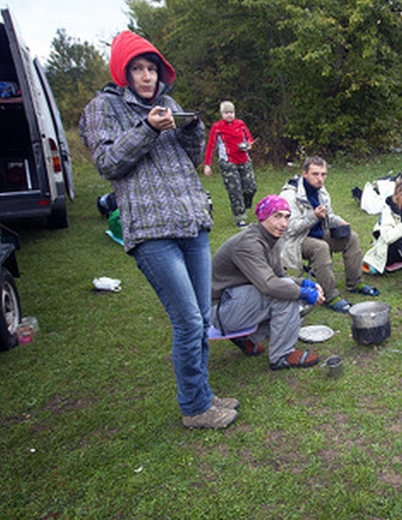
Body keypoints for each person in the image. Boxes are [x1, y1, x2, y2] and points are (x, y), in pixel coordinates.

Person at [79, 30, 236, 429]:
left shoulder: (167, 102)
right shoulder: (103, 108)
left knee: (201, 317)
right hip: (151, 232)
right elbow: (109, 163)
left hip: (191, 221)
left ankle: (203, 395)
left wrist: (190, 128)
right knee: (186, 319)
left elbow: (187, 156)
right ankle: (195, 409)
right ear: (123, 72)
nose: (147, 77)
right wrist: (147, 128)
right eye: (138, 69)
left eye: (152, 69)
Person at [211, 195, 325, 371]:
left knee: (289, 289)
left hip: (240, 299)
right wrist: (302, 292)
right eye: (277, 216)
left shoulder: (272, 239)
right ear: (263, 217)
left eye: (287, 216)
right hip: (221, 309)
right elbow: (268, 284)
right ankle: (282, 355)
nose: (283, 223)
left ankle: (250, 338)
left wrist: (304, 283)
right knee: (285, 295)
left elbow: (278, 275)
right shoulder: (248, 243)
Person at [279, 156, 378, 313]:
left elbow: (328, 216)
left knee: (351, 238)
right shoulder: (290, 195)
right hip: (296, 240)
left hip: (316, 232)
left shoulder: (321, 191)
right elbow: (289, 228)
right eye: (315, 174)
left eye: (323, 174)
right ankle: (330, 296)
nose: (320, 179)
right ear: (304, 174)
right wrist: (313, 217)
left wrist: (338, 221)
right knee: (321, 247)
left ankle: (355, 282)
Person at [203, 101, 257, 227]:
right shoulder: (217, 127)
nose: (229, 115)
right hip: (228, 163)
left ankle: (244, 205)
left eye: (231, 112)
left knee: (251, 188)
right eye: (226, 113)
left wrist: (249, 145)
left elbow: (249, 138)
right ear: (222, 114)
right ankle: (240, 217)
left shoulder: (240, 124)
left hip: (244, 160)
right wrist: (207, 165)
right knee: (235, 190)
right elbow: (211, 146)